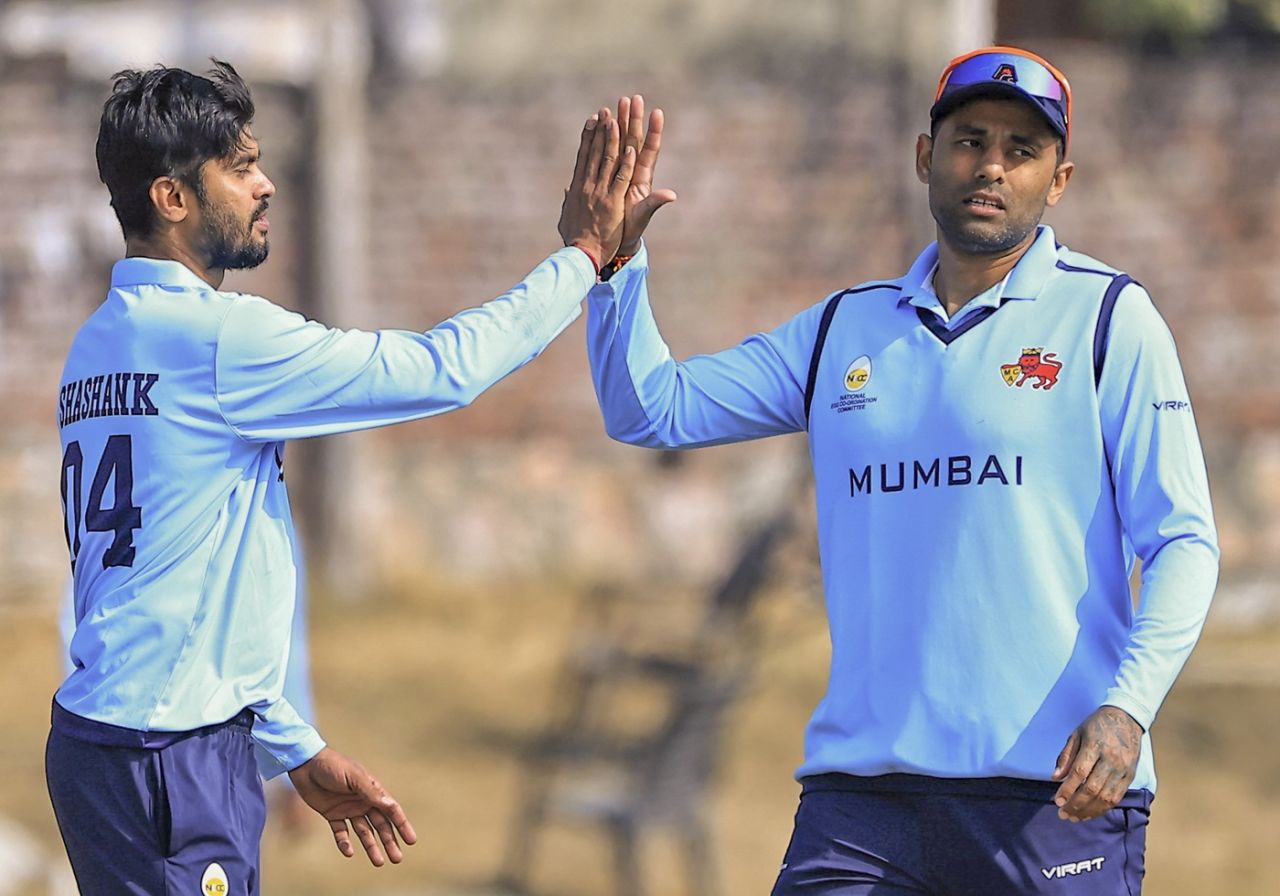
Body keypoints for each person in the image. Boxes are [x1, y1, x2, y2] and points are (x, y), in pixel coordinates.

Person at [586, 48, 1218, 893]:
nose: (991, 166)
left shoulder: (1108, 318)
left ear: (1058, 181)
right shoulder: (843, 331)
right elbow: (651, 409)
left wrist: (1129, 707)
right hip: (863, 803)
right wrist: (615, 268)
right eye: (970, 141)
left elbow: (1182, 541)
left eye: (1022, 150)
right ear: (926, 157)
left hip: (1050, 794)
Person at [48, 59, 636, 895]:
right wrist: (583, 257)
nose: (266, 185)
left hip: (105, 743)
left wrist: (293, 747)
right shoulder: (216, 340)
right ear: (171, 197)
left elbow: (178, 591)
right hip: (169, 758)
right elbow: (442, 370)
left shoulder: (95, 344)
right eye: (240, 167)